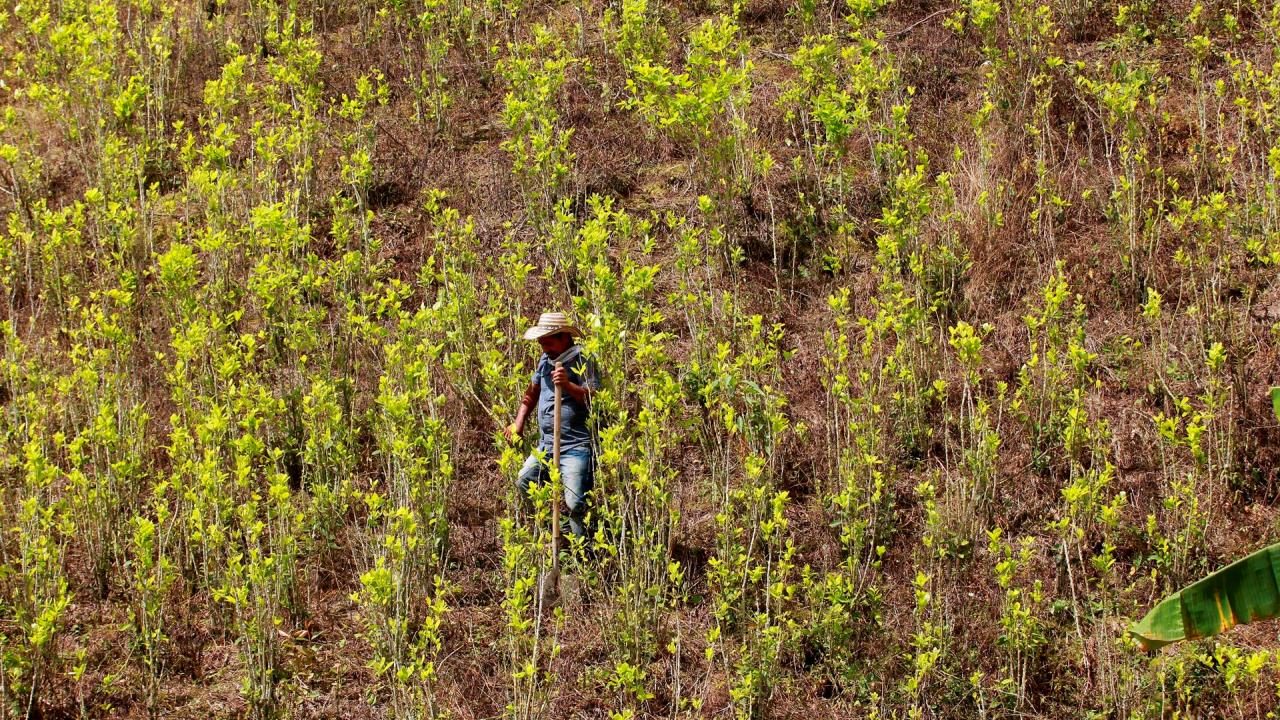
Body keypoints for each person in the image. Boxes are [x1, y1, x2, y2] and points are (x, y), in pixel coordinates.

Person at [504, 312, 601, 539]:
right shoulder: (546, 359)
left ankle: (580, 551)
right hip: (546, 445)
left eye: (548, 341)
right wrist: (518, 423)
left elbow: (594, 398)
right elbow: (532, 392)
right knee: (525, 481)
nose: (543, 346)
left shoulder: (583, 358)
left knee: (576, 501)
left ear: (564, 337)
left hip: (575, 446)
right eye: (541, 342)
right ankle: (555, 531)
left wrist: (567, 385)